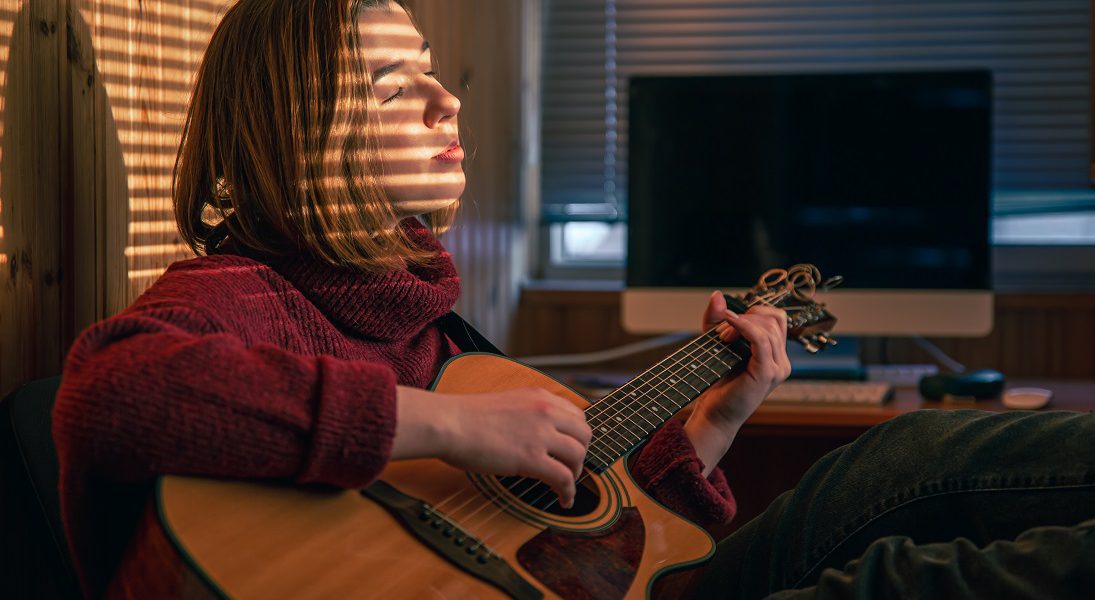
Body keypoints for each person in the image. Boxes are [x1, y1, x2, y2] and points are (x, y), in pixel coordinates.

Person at [54, 1, 1095, 599]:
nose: (445, 99)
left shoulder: (426, 318)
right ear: (295, 134)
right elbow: (110, 393)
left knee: (906, 456)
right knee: (925, 581)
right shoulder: (243, 291)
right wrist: (445, 422)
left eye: (432, 71)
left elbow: (599, 551)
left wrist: (716, 419)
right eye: (388, 87)